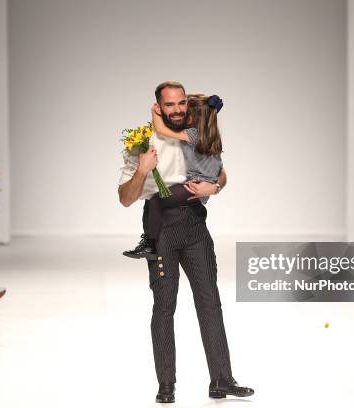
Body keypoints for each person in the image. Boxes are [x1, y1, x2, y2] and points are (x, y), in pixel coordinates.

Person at [118, 81, 253, 403]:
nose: (177, 110)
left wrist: (215, 188)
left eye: (181, 104)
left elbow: (219, 172)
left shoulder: (195, 132)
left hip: (195, 228)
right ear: (158, 107)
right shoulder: (142, 144)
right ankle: (166, 386)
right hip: (161, 232)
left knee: (210, 303)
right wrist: (142, 170)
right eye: (170, 105)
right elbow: (125, 198)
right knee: (164, 308)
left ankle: (222, 379)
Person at [123, 93, 224, 259]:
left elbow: (161, 129)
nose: (182, 113)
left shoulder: (193, 134)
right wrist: (213, 185)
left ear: (193, 118)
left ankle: (149, 244)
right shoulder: (211, 136)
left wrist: (155, 111)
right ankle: (149, 241)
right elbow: (218, 168)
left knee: (156, 199)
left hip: (194, 185)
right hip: (200, 184)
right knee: (154, 201)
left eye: (186, 112)